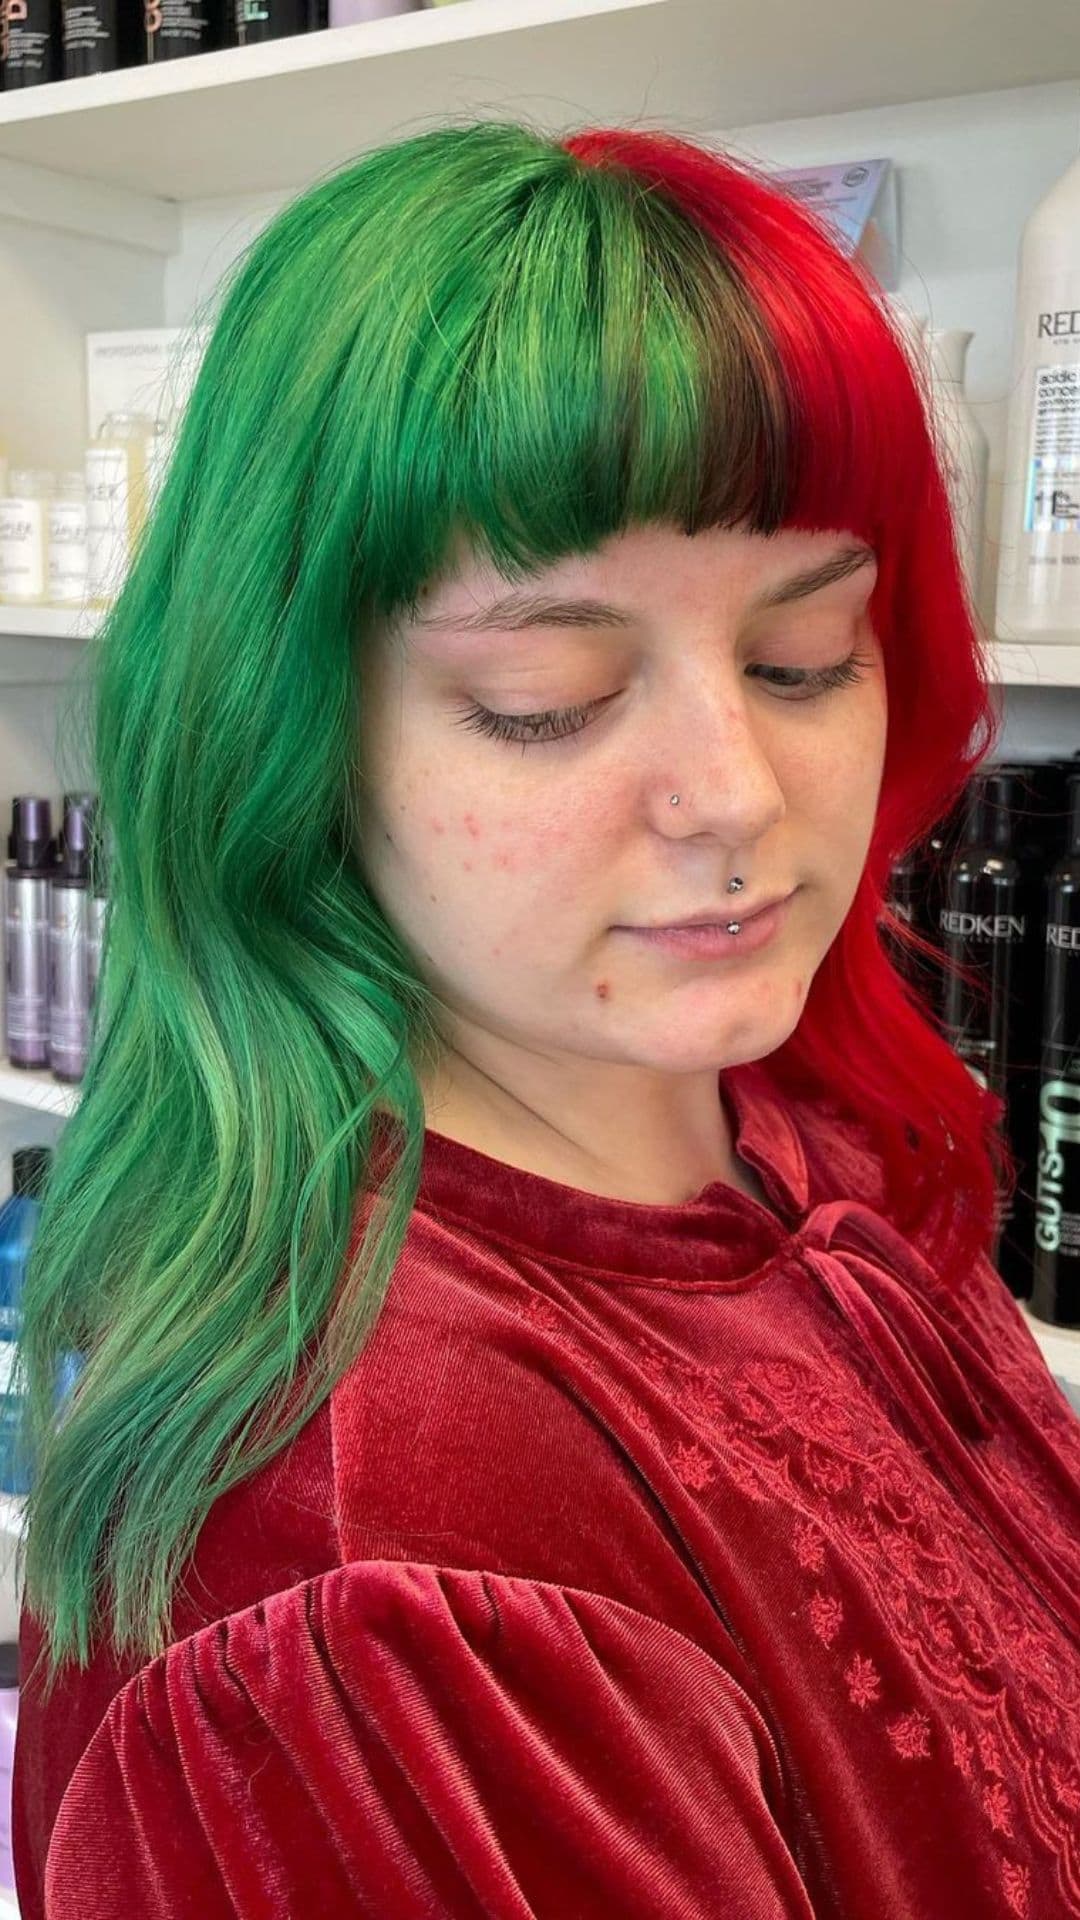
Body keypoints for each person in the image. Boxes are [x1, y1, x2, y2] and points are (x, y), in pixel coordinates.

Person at [10, 118, 1080, 1919]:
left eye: (805, 657)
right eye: (548, 697)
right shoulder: (369, 1591)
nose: (737, 792)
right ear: (291, 736)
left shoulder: (811, 1143)